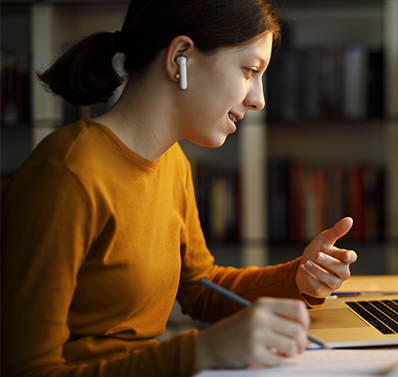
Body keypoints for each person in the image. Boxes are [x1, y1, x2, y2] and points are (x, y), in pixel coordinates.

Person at [1, 1, 358, 376]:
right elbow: (28, 370)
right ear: (180, 58)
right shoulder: (66, 174)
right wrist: (199, 353)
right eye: (250, 70)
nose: (259, 99)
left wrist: (298, 278)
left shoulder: (172, 162)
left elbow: (203, 290)